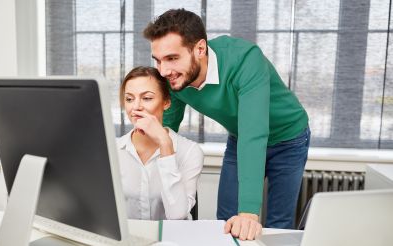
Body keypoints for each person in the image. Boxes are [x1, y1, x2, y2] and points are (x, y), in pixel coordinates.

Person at [143, 9, 310, 240]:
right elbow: (166, 130)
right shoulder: (173, 78)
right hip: (240, 136)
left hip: (289, 137)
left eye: (172, 58)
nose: (163, 71)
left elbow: (255, 133)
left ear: (200, 49)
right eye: (158, 60)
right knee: (225, 221)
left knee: (277, 225)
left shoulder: (244, 59)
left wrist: (249, 212)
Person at [117, 66, 204, 220]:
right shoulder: (114, 150)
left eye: (147, 98)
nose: (136, 107)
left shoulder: (190, 151)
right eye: (129, 99)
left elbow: (177, 216)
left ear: (166, 103)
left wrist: (165, 144)